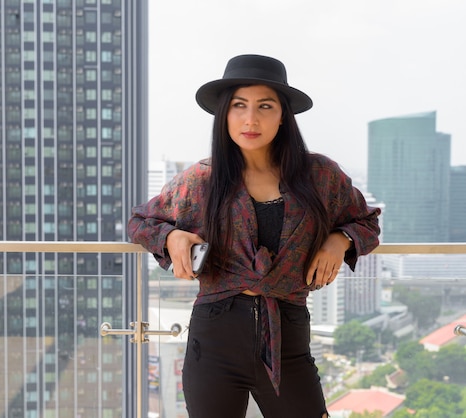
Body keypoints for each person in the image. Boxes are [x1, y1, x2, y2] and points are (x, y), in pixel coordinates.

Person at [128, 54, 381, 418]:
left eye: (265, 106)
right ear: (224, 115)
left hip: (289, 338)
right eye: (239, 106)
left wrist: (338, 240)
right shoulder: (202, 180)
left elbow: (367, 222)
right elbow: (141, 222)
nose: (251, 119)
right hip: (214, 341)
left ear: (283, 116)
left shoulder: (319, 175)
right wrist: (171, 237)